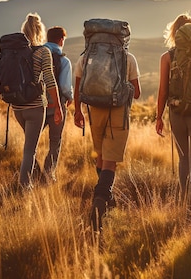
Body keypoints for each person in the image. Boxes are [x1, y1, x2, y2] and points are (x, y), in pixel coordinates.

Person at [73, 29, 141, 233]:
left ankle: (107, 199)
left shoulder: (86, 57)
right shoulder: (128, 58)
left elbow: (78, 88)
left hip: (95, 112)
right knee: (110, 161)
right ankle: (99, 202)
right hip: (118, 113)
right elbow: (137, 93)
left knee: (101, 156)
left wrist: (77, 112)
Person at [155, 12, 191, 211]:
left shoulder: (167, 57)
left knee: (183, 159)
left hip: (177, 113)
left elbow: (163, 91)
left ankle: (186, 202)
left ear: (174, 32)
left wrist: (159, 116)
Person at [13, 13, 63, 188]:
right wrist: (58, 106)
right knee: (30, 151)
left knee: (29, 147)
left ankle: (33, 180)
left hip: (17, 107)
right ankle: (24, 187)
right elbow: (50, 81)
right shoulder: (43, 52)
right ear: (40, 31)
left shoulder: (15, 52)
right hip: (35, 107)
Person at [41, 26, 73, 182]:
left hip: (38, 106)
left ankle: (30, 171)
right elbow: (65, 87)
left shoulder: (37, 56)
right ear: (61, 40)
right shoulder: (64, 61)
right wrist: (70, 97)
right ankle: (48, 175)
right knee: (55, 141)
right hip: (56, 107)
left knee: (31, 141)